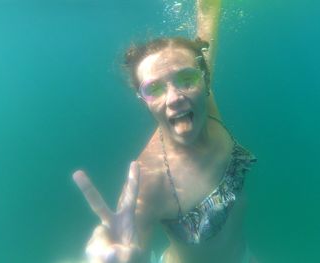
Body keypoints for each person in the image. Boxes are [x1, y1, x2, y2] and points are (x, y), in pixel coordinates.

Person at [73, 1, 257, 262]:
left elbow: (205, 33)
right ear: (142, 99)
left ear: (203, 80)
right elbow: (122, 244)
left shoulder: (206, 105)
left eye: (186, 79)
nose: (174, 98)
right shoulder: (148, 179)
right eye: (154, 89)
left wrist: (207, 7)